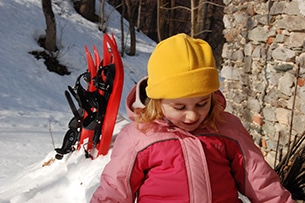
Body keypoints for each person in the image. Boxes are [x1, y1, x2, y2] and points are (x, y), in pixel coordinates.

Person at [90, 33, 295, 203]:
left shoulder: (227, 127)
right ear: (157, 100)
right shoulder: (139, 137)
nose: (192, 114)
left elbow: (260, 180)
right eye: (179, 106)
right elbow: (114, 192)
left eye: (202, 103)